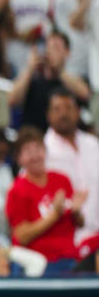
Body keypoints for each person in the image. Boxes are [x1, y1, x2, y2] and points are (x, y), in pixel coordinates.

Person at [6, 126, 84, 274]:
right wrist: (54, 215)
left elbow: (79, 224)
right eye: (28, 151)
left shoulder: (62, 180)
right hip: (38, 265)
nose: (35, 155)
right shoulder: (16, 190)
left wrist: (77, 212)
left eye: (38, 148)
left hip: (70, 259)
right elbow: (21, 236)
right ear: (19, 158)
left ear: (45, 151)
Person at [44, 87, 99, 253]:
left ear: (78, 112)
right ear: (48, 114)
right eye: (57, 109)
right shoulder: (42, 151)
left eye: (68, 108)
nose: (63, 114)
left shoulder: (93, 145)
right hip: (65, 241)